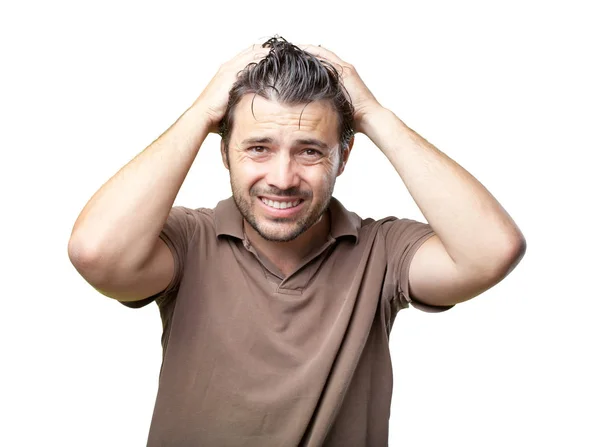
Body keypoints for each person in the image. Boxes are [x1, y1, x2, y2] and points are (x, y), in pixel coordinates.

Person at [68, 37, 526, 446]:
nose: (283, 179)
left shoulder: (381, 252)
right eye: (258, 148)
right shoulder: (189, 242)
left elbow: (492, 250)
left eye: (309, 150)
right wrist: (199, 113)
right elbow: (97, 253)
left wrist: (374, 115)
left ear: (342, 157)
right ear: (224, 152)